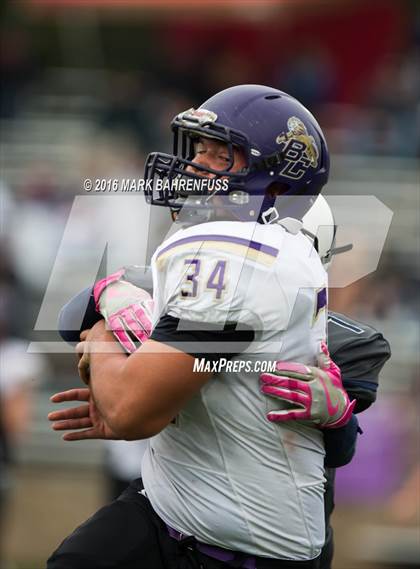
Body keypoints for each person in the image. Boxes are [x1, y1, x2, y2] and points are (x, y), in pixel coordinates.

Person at [47, 85, 353, 569]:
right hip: (171, 507)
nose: (194, 166)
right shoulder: (224, 258)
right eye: (200, 149)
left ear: (277, 188)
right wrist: (114, 297)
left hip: (250, 543)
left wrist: (110, 333)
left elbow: (129, 411)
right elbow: (77, 321)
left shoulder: (247, 262)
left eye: (221, 154)